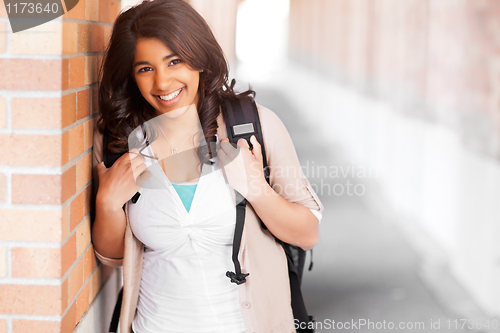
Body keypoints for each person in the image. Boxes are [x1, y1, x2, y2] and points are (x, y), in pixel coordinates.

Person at [91, 0, 324, 332]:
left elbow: (307, 233)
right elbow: (114, 257)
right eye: (145, 68)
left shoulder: (254, 126)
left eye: (175, 61)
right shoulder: (118, 140)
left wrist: (256, 189)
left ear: (200, 59)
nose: (162, 82)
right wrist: (108, 204)